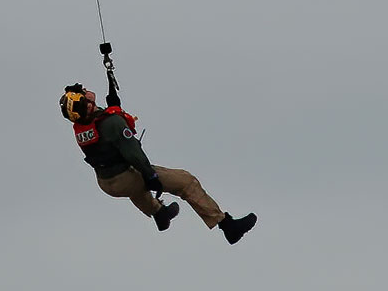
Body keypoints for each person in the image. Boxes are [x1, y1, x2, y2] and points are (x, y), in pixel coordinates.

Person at [62, 80, 255, 242]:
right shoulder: (112, 123)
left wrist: (113, 108)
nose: (86, 92)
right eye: (83, 94)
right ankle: (227, 225)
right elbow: (133, 153)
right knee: (185, 181)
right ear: (87, 106)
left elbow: (101, 128)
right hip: (124, 176)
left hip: (106, 182)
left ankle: (159, 213)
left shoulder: (82, 126)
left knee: (136, 187)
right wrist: (151, 175)